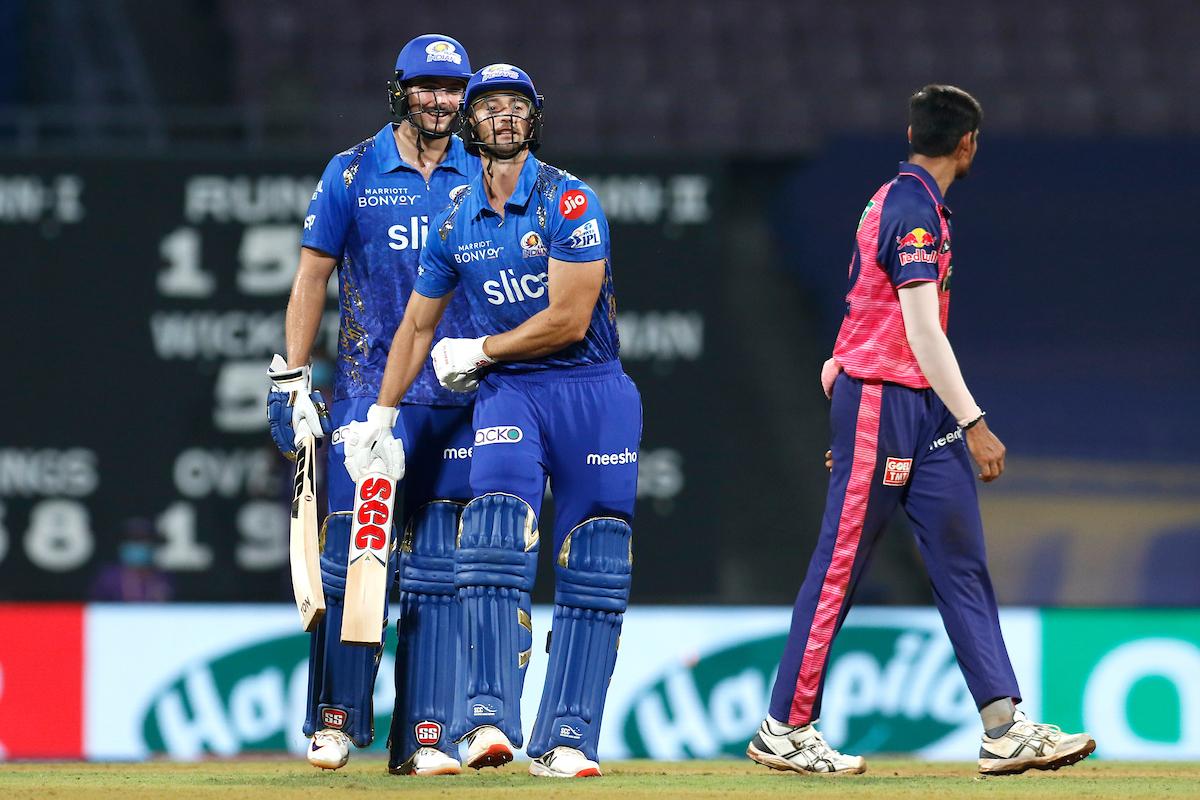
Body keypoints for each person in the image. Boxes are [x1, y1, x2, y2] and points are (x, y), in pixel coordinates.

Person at [748, 85, 1096, 777]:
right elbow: (919, 328)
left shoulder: (899, 199)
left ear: (914, 133)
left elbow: (868, 304)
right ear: (968, 144)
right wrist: (974, 421)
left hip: (914, 406)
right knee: (840, 560)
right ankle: (785, 727)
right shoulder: (911, 212)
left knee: (960, 556)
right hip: (887, 402)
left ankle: (1003, 727)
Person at [342, 62, 641, 779]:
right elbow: (416, 327)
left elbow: (569, 320)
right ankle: (484, 722)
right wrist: (383, 414)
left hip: (591, 390)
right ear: (470, 124)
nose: (503, 117)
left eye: (516, 106)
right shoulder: (454, 218)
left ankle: (568, 737)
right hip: (509, 393)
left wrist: (477, 347)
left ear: (533, 119)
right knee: (491, 537)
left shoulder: (570, 202)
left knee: (596, 559)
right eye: (489, 106)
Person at [266, 33, 481, 776]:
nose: (440, 100)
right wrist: (290, 380)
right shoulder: (352, 171)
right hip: (368, 394)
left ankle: (424, 736)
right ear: (401, 91)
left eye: (452, 88)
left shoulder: (484, 172)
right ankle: (333, 723)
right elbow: (310, 280)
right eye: (427, 86)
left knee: (439, 569)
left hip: (456, 400)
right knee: (349, 562)